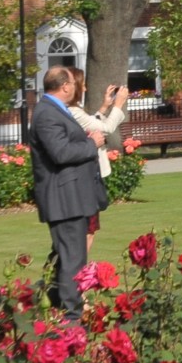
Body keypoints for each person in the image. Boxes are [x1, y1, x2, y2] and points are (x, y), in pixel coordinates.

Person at [29, 65, 107, 315]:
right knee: (73, 259)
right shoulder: (47, 113)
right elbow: (60, 152)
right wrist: (91, 144)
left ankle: (52, 308)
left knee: (67, 257)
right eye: (73, 83)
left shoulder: (55, 110)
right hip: (65, 199)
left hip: (73, 197)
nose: (77, 87)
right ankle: (72, 316)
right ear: (64, 86)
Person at [67, 67, 130, 256]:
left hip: (83, 177)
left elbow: (92, 124)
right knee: (88, 231)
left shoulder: (71, 111)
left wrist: (104, 107)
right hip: (84, 178)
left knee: (86, 230)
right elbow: (106, 128)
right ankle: (77, 269)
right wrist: (118, 105)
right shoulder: (72, 111)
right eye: (83, 85)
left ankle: (71, 267)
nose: (85, 89)